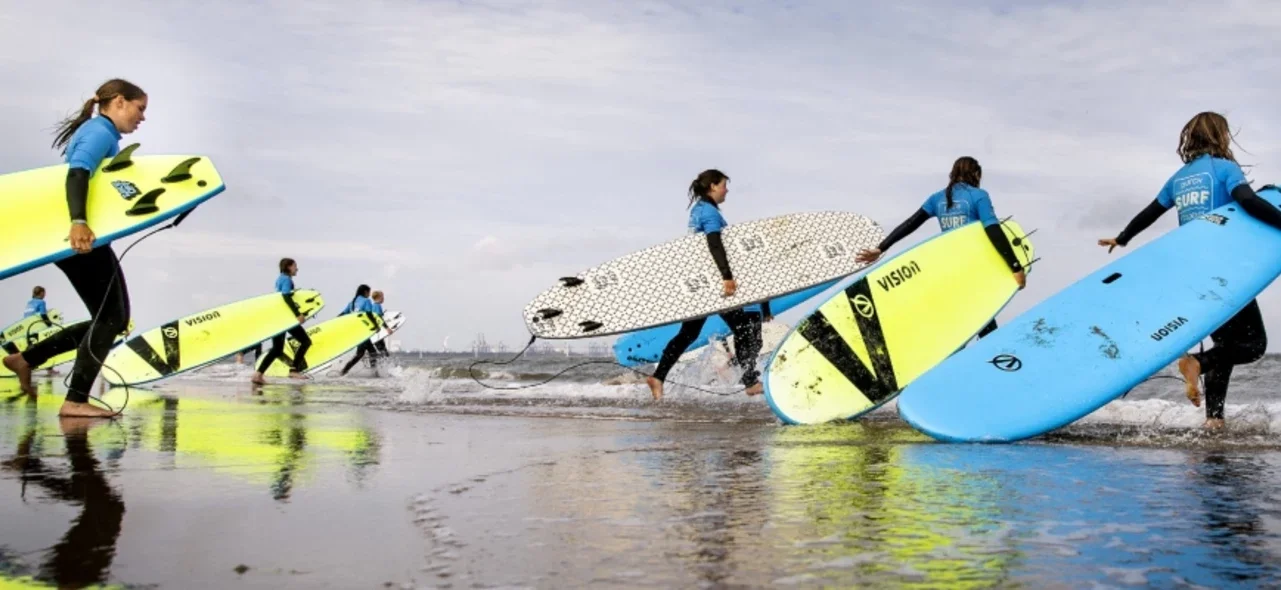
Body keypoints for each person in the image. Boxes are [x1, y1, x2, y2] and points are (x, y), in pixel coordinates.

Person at [1099, 112, 1281, 431]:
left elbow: (1151, 212)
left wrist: (1123, 238)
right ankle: (1198, 363)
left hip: (1191, 273)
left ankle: (1214, 420)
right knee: (1254, 346)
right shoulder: (1224, 169)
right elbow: (1248, 201)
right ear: (1221, 137)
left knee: (1225, 345)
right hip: (1225, 271)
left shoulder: (1180, 178)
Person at [1, 79, 145, 417]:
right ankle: (75, 401)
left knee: (113, 320)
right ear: (120, 102)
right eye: (140, 109)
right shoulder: (100, 132)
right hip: (81, 239)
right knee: (111, 320)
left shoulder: (99, 130)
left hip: (86, 238)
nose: (142, 118)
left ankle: (26, 359)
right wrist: (78, 221)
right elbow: (77, 173)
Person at [856, 156, 1026, 338]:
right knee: (982, 315)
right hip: (974, 267)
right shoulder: (979, 195)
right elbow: (993, 231)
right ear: (976, 174)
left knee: (965, 320)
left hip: (947, 267)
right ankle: (992, 356)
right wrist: (1014, 266)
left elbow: (911, 223)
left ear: (953, 174)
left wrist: (881, 248)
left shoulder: (937, 198)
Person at [646, 169, 766, 401]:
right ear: (712, 186)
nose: (726, 190)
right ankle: (750, 381)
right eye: (723, 185)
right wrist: (727, 277)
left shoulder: (698, 210)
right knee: (743, 325)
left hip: (700, 284)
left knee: (688, 333)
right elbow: (715, 244)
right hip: (712, 285)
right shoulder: (709, 212)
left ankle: (658, 377)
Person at [250, 258, 312, 384]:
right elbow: (285, 296)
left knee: (277, 349)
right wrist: (298, 314)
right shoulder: (286, 279)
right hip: (286, 318)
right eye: (295, 266)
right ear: (288, 267)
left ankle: (258, 375)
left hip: (279, 318)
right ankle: (294, 370)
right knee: (305, 341)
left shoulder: (280, 278)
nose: (297, 269)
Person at [339, 285, 379, 376]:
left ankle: (374, 373)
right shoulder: (366, 301)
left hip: (355, 331)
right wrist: (376, 325)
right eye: (369, 292)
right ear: (365, 292)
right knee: (361, 354)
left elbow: (342, 314)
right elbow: (369, 313)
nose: (369, 295)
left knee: (372, 352)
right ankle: (344, 371)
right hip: (363, 331)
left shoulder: (352, 303)